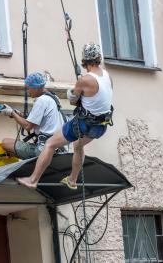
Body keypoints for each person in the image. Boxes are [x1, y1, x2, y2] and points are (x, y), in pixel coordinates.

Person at [17, 43, 113, 189]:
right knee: (78, 145)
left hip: (83, 124)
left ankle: (32, 180)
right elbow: (99, 98)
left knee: (50, 144)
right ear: (99, 58)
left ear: (84, 60)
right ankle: (72, 180)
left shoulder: (85, 80)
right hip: (101, 126)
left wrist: (73, 92)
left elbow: (73, 101)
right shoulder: (107, 76)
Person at [1, 72, 65, 160]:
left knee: (5, 142)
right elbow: (39, 120)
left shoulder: (41, 101)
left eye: (28, 89)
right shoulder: (53, 97)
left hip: (43, 150)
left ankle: (32, 164)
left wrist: (12, 113)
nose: (28, 92)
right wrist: (20, 115)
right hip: (58, 146)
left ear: (35, 88)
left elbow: (28, 126)